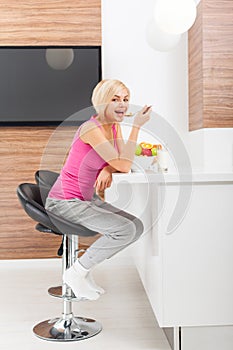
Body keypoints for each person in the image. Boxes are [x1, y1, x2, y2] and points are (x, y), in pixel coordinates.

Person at [45, 79, 151, 300]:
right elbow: (125, 164)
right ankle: (76, 273)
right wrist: (137, 127)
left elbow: (121, 164)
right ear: (103, 103)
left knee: (136, 226)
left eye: (125, 99)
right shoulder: (91, 128)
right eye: (115, 99)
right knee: (125, 230)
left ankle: (83, 272)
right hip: (65, 201)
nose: (122, 104)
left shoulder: (113, 127)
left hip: (87, 198)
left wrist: (108, 169)